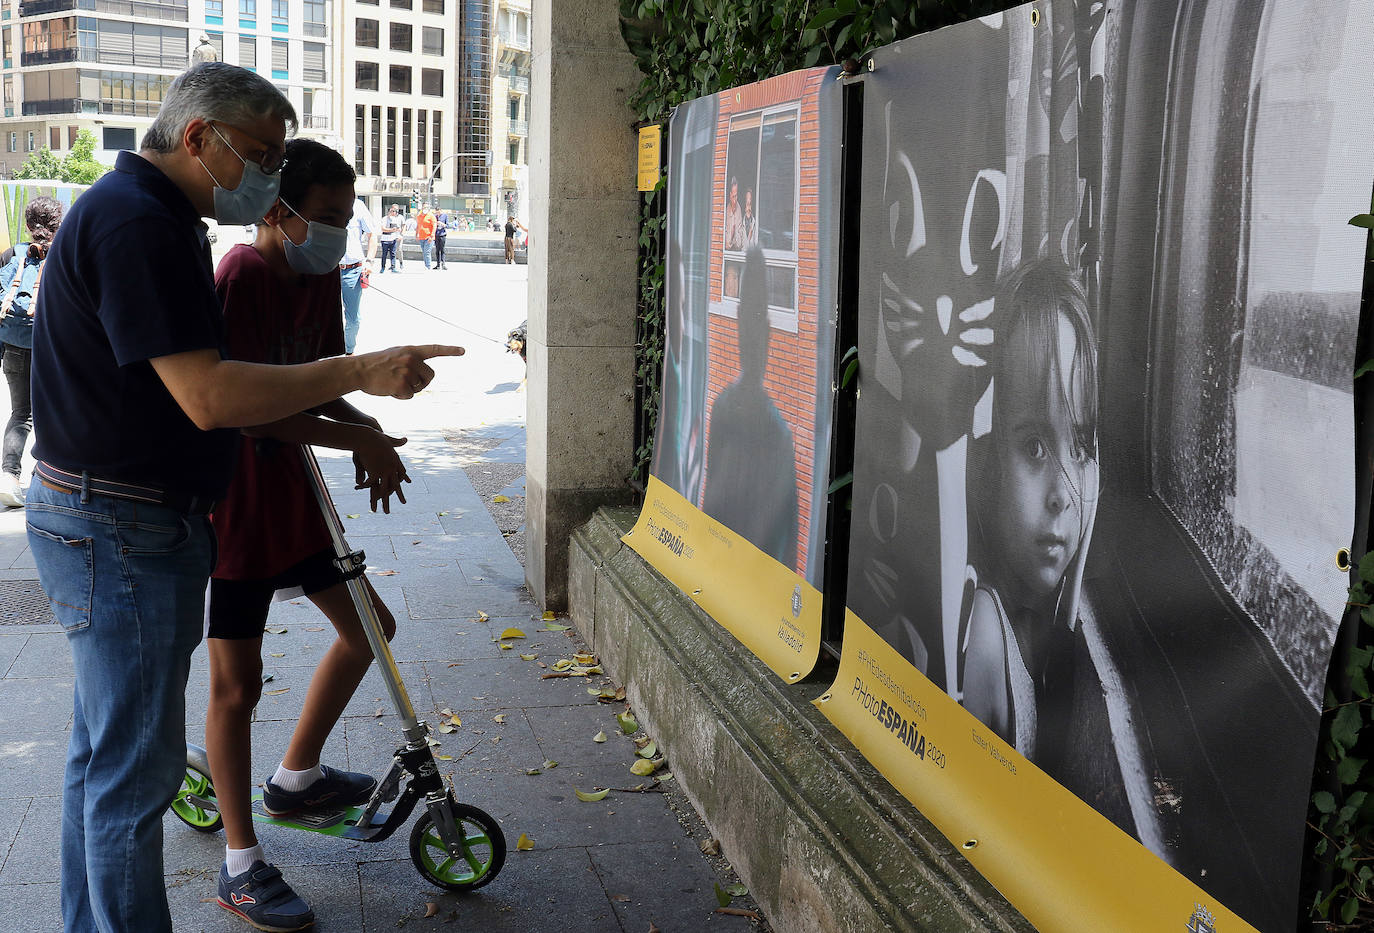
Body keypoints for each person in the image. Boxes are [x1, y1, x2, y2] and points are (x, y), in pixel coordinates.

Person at [23, 61, 461, 933]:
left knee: (106, 763)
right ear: (199, 137)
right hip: (119, 521)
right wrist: (363, 375)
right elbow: (213, 396)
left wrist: (356, 417)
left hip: (126, 514)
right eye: (259, 155)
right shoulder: (139, 225)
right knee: (132, 779)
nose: (266, 174)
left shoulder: (156, 219)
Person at [207, 137, 408, 931]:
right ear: (277, 210)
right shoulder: (242, 275)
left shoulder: (317, 276)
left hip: (291, 493)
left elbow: (329, 374)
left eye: (345, 218)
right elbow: (243, 407)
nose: (336, 233)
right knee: (237, 684)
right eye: (325, 217)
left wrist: (370, 430)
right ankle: (241, 862)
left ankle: (296, 777)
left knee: (370, 630)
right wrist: (350, 436)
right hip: (233, 504)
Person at [961, 261, 1099, 761]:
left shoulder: (1040, 623)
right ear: (988, 454)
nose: (1063, 493)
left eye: (1080, 446)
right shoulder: (984, 639)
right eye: (1035, 447)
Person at [700, 245, 798, 568]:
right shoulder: (726, 411)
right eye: (747, 323)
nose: (751, 338)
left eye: (756, 327)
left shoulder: (778, 435)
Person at [0, 196, 62, 508]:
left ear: (27, 225)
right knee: (55, 410)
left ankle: (9, 477)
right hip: (52, 347)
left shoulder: (11, 254)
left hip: (14, 346)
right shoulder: (64, 253)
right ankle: (46, 479)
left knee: (20, 413)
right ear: (58, 225)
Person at [339, 195, 376, 354]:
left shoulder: (358, 206)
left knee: (353, 319)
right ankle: (327, 352)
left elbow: (372, 234)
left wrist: (369, 261)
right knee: (323, 315)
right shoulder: (322, 201)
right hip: (327, 269)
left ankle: (349, 351)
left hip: (353, 269)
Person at [378, 203, 402, 272]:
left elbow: (398, 228)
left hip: (393, 238)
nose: (394, 213)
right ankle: (382, 268)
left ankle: (393, 267)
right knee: (384, 254)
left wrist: (398, 233)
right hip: (385, 239)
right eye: (393, 211)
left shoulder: (396, 219)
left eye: (395, 212)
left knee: (393, 254)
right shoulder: (385, 219)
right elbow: (383, 229)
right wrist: (392, 230)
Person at [724, 176, 744, 250]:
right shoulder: (725, 210)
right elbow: (725, 245)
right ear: (729, 195)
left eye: (736, 196)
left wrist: (734, 235)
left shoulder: (739, 210)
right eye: (733, 196)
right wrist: (732, 235)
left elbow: (739, 245)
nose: (735, 200)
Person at [415, 203, 436, 269]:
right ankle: (426, 265)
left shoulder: (431, 216)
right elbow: (418, 226)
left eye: (426, 207)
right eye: (424, 207)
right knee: (424, 252)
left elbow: (434, 226)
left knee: (427, 252)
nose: (425, 209)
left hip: (429, 237)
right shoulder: (419, 216)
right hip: (421, 237)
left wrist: (432, 235)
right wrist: (416, 234)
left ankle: (428, 266)